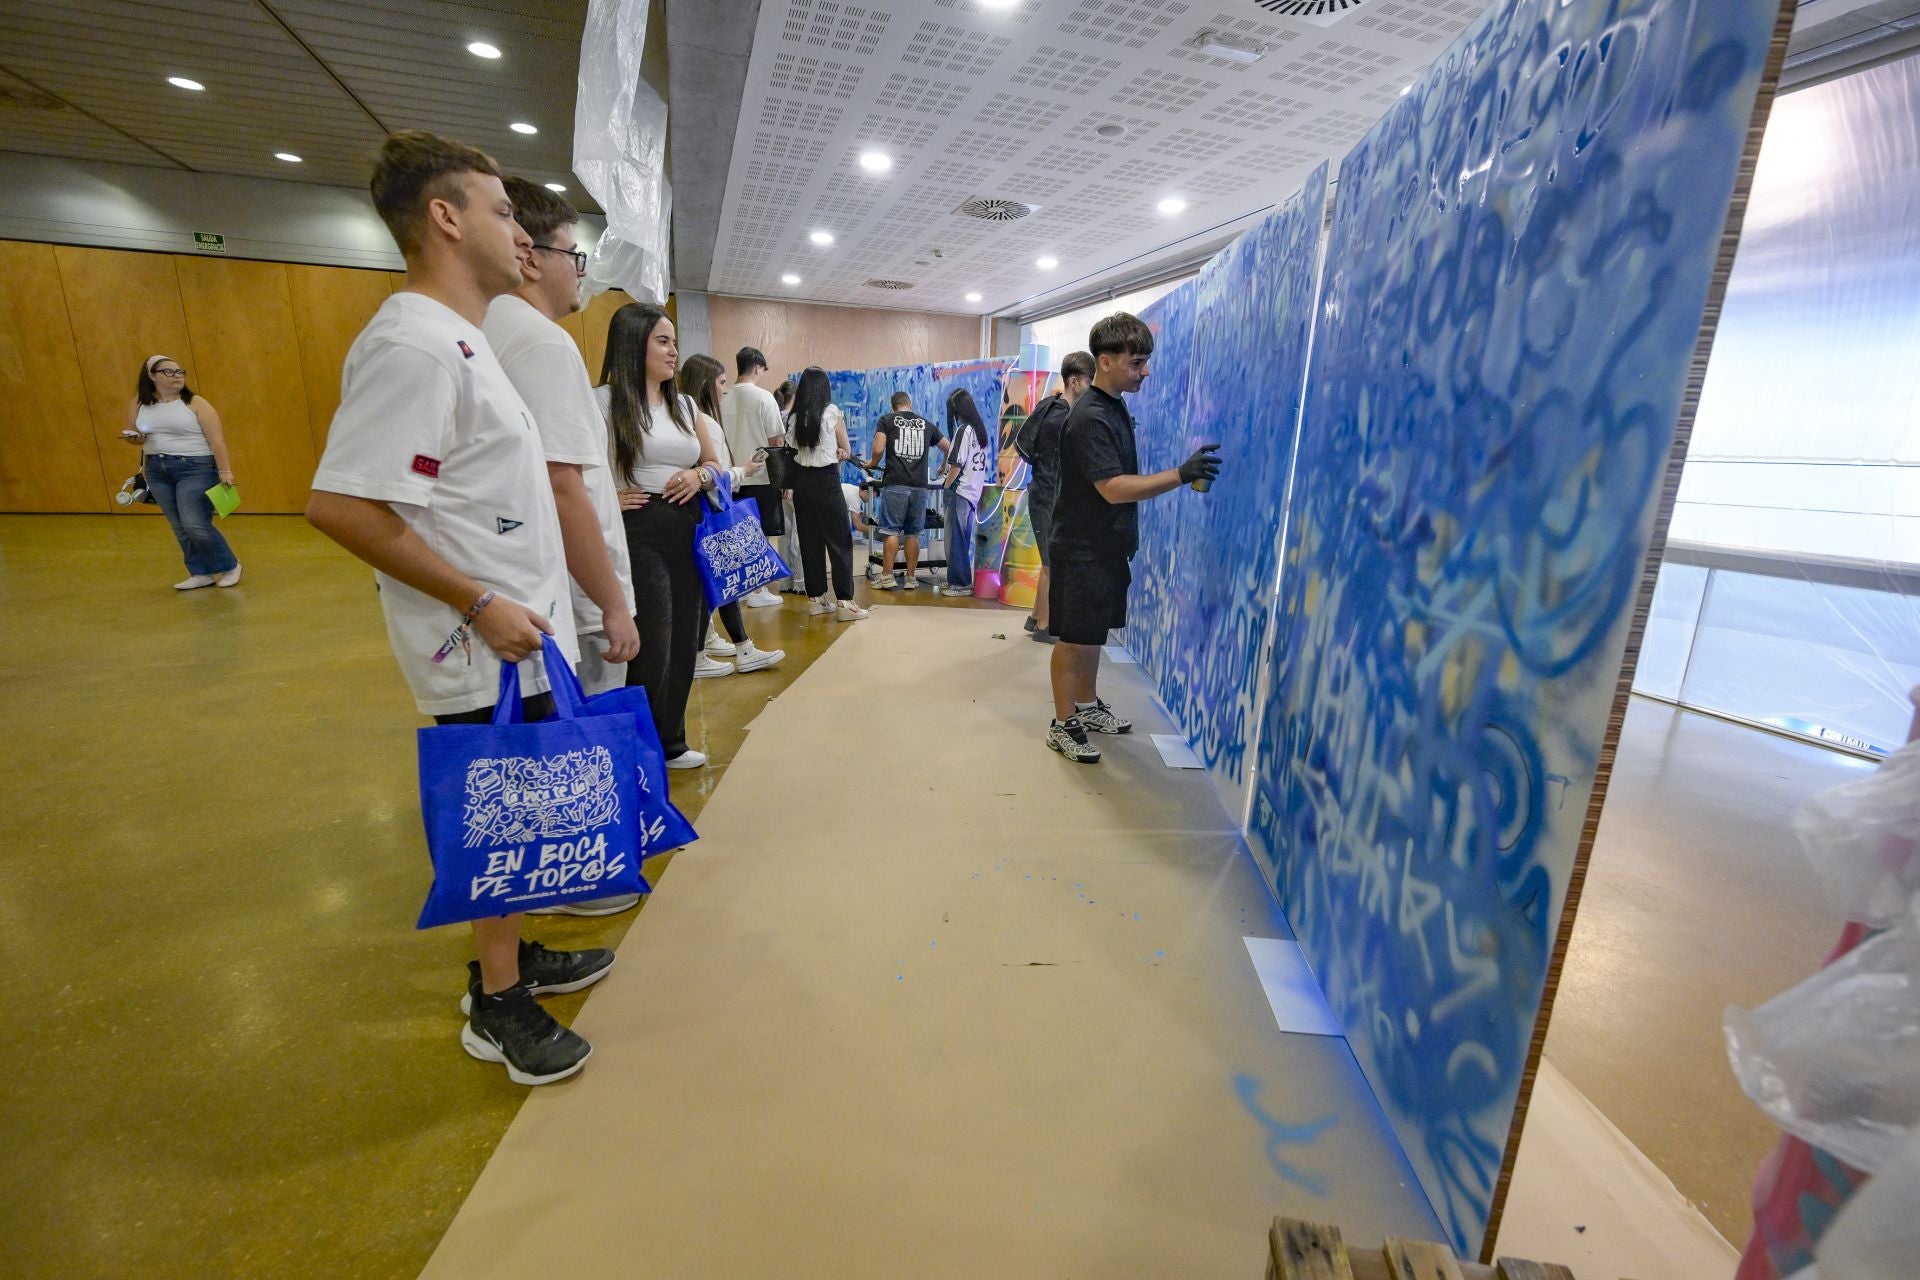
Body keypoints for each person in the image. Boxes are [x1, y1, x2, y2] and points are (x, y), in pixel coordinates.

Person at [306, 130, 610, 1086]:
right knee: (500, 818)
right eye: (502, 210)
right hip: (475, 643)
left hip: (512, 633)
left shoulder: (463, 338)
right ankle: (497, 1002)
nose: (519, 233)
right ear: (444, 218)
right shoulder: (413, 345)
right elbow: (343, 505)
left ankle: (515, 958)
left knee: (524, 814)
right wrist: (479, 600)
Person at [482, 179, 638, 697]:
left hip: (533, 580)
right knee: (586, 741)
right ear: (530, 256)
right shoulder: (541, 341)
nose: (581, 270)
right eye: (574, 254)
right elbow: (562, 482)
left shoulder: (489, 327)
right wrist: (612, 604)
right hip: (571, 594)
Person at [1045, 313, 1220, 764]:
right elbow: (1113, 487)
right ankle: (1062, 723)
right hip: (1081, 548)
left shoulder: (1114, 407)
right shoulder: (1088, 419)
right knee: (1073, 638)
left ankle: (1085, 705)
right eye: (1137, 362)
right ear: (1104, 362)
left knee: (1093, 633)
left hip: (1104, 546)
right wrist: (1180, 475)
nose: (1145, 371)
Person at [599, 301, 723, 769]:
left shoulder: (686, 405)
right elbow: (576, 472)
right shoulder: (605, 401)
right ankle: (638, 749)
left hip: (688, 525)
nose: (674, 352)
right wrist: (608, 497)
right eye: (663, 341)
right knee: (654, 640)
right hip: (639, 527)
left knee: (686, 639)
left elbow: (712, 463)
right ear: (634, 345)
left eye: (674, 341)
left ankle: (671, 741)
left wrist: (700, 478)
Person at [676, 353, 785, 677]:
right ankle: (732, 649)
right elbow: (714, 475)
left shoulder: (689, 418)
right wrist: (745, 470)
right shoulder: (705, 422)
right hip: (711, 510)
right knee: (718, 582)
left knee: (716, 583)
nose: (725, 390)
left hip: (702, 509)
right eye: (721, 383)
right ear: (707, 384)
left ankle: (729, 645)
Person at [121, 355, 242, 589]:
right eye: (169, 372)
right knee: (178, 525)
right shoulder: (139, 403)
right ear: (152, 376)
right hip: (156, 467)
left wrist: (225, 471)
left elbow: (217, 441)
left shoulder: (195, 403)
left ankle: (230, 565)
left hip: (195, 468)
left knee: (194, 523)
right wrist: (136, 439)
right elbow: (132, 434)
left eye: (180, 372)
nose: (177, 376)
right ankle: (200, 572)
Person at [1014, 351, 1094, 643]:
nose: (1091, 388)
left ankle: (1036, 616)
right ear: (1075, 381)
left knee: (1049, 561)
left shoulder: (1053, 407)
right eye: (1089, 381)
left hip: (1043, 494)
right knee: (1052, 564)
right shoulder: (1063, 418)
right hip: (1048, 495)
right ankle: (1046, 626)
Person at [787, 367, 869, 621]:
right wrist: (840, 451)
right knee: (839, 541)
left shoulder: (794, 417)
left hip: (801, 483)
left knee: (810, 542)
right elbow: (845, 448)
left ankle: (817, 599)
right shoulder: (831, 412)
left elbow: (791, 454)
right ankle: (845, 602)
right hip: (826, 481)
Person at [722, 346, 787, 609]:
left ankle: (743, 587)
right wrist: (784, 481)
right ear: (758, 368)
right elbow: (776, 441)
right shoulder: (763, 398)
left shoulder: (722, 396)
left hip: (731, 477)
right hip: (760, 477)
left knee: (737, 535)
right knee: (761, 534)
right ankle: (758, 589)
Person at [866, 391, 944, 590]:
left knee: (891, 530)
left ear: (894, 407)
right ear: (909, 403)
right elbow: (948, 447)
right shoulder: (926, 424)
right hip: (919, 487)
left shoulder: (887, 420)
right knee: (913, 534)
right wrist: (944, 466)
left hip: (896, 484)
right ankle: (911, 578)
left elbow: (877, 449)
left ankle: (887, 576)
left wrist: (873, 463)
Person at [936, 387, 991, 597]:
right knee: (962, 538)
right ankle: (960, 580)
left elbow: (956, 464)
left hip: (960, 491)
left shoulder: (963, 430)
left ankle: (960, 584)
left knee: (955, 540)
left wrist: (946, 485)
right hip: (973, 492)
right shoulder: (979, 430)